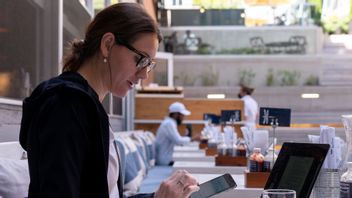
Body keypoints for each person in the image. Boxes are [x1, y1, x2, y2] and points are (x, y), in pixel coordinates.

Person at [19, 3, 199, 198]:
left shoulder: (88, 107)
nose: (144, 75)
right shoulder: (65, 106)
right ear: (107, 45)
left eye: (150, 65)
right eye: (141, 60)